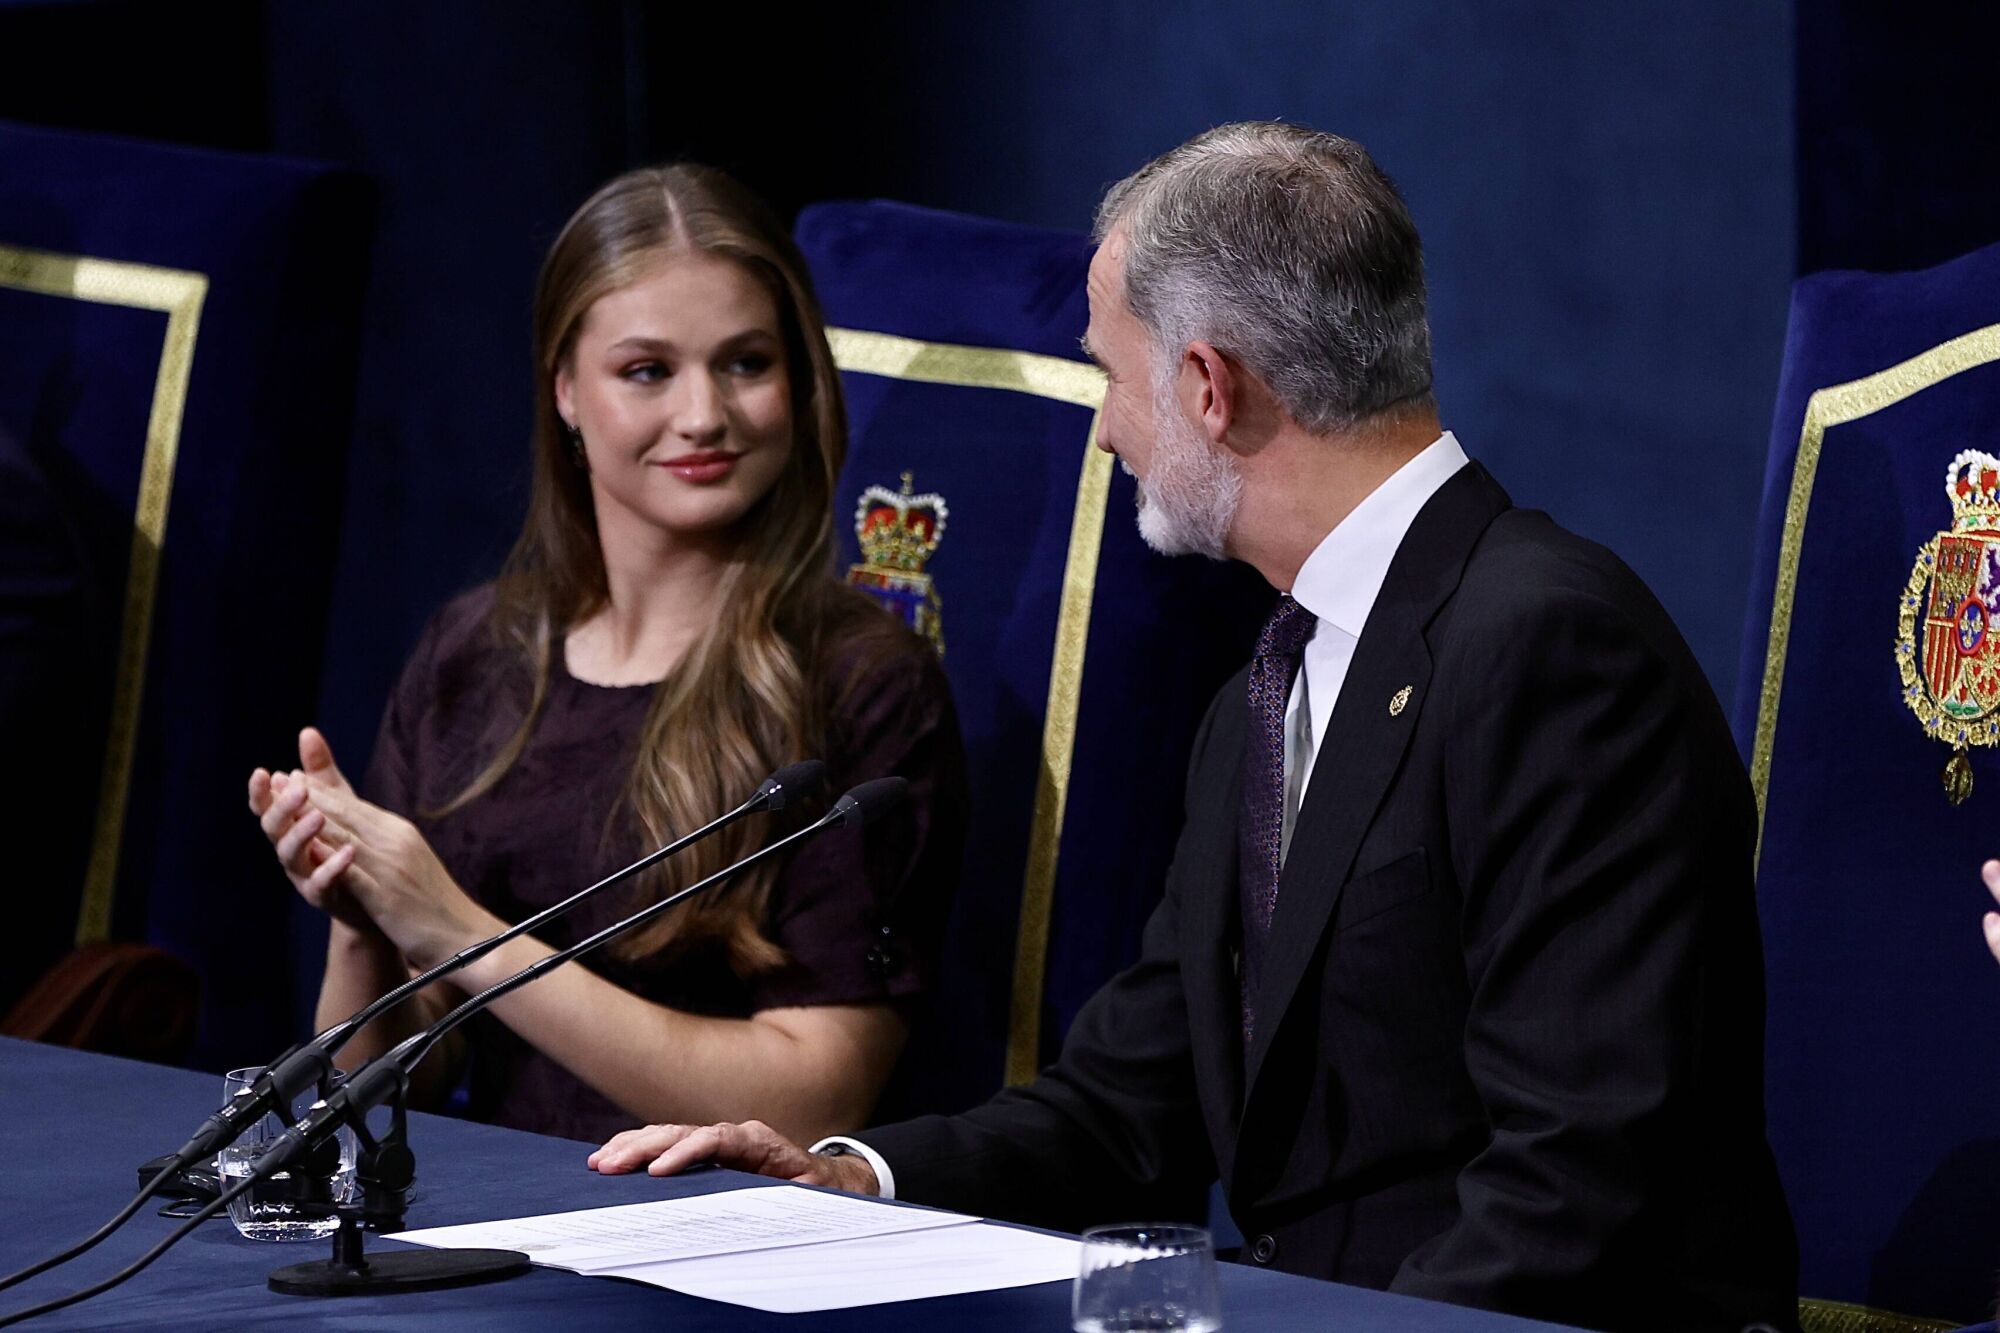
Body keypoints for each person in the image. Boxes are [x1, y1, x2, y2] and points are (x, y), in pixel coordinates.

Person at [588, 124, 1799, 1333]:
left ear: (1208, 388)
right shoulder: (1263, 685)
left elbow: (1576, 1178)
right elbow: (1132, 1098)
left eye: (1111, 375)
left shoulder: (1547, 648)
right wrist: (849, 1181)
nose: (1104, 429)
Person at [248, 165, 967, 1146]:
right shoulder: (470, 653)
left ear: (798, 381)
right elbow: (364, 1086)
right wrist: (364, 912)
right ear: (565, 392)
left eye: (745, 363)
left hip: (715, 1231)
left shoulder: (863, 683)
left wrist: (454, 929)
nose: (704, 415)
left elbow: (817, 1103)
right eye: (647, 371)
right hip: (489, 1221)